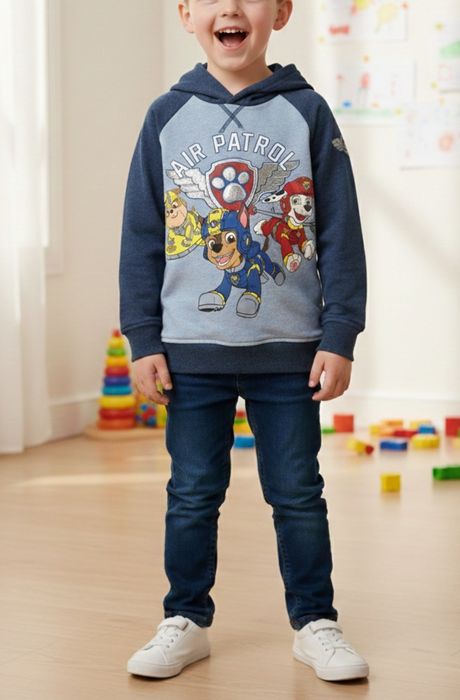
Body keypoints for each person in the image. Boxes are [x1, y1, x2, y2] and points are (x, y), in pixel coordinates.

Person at [120, 0, 369, 684]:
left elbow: (340, 231)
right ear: (186, 13)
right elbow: (141, 236)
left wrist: (341, 332)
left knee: (297, 492)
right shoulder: (166, 116)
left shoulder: (307, 112)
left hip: (290, 350)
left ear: (280, 12)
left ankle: (315, 621)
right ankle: (185, 618)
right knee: (192, 492)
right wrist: (142, 337)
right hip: (188, 352)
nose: (230, 7)